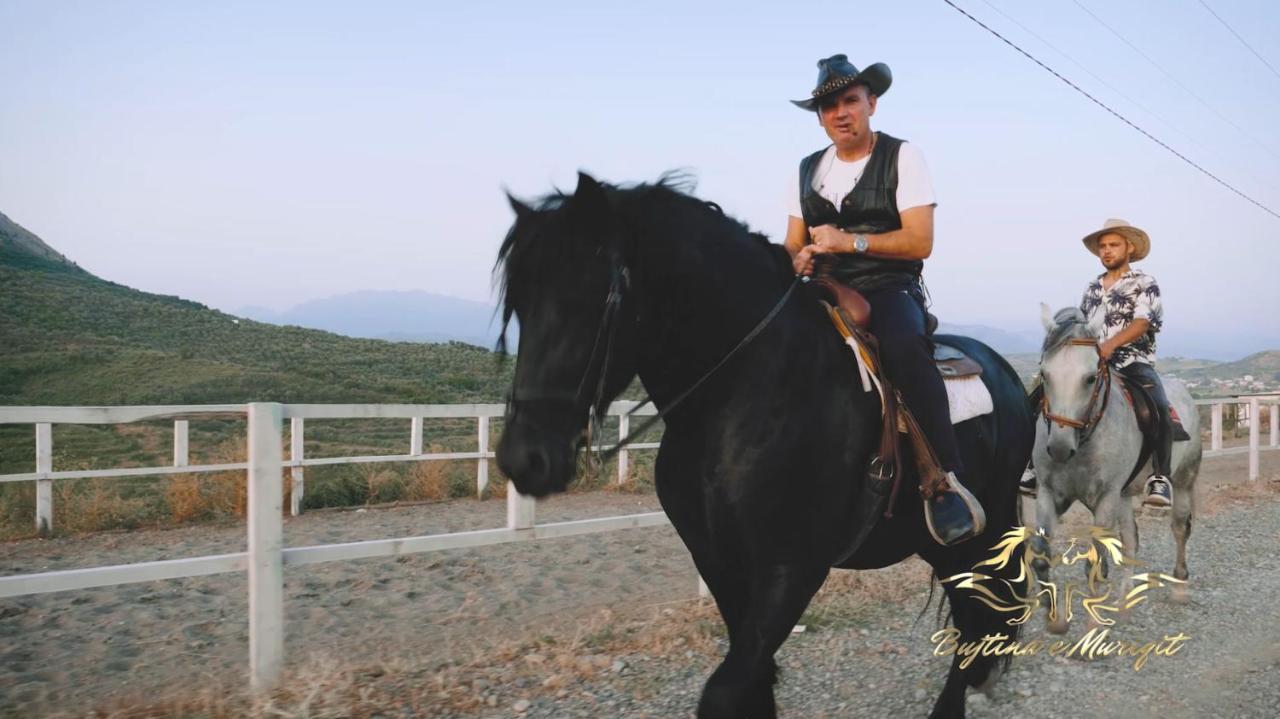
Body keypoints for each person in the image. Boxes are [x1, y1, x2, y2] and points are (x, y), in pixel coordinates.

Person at [784, 54, 984, 545]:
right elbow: (792, 242)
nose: (840, 112)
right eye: (828, 105)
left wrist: (849, 241)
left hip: (888, 285)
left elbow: (920, 242)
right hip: (824, 288)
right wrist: (799, 260)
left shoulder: (903, 156)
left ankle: (944, 480)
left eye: (850, 101)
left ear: (871, 103)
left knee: (900, 347)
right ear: (820, 116)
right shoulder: (807, 169)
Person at [1019, 218, 1174, 508]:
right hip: (1090, 364)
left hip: (1132, 361)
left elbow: (1143, 323)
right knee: (1039, 401)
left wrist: (1109, 345)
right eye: (1102, 246)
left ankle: (1160, 477)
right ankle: (1031, 467)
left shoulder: (1145, 283)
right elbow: (1081, 325)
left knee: (1158, 406)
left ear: (1129, 248)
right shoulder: (1092, 287)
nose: (1106, 251)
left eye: (1113, 245)